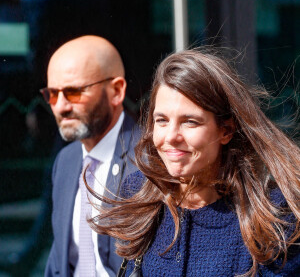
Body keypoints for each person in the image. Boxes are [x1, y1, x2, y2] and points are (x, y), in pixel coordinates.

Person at [89, 49, 300, 276]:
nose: (171, 137)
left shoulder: (272, 216)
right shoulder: (138, 194)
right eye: (162, 121)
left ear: (226, 130)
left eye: (190, 122)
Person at [42, 35, 139, 277]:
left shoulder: (151, 160)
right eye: (52, 94)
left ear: (116, 91)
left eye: (73, 92)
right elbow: (59, 263)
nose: (61, 106)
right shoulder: (66, 161)